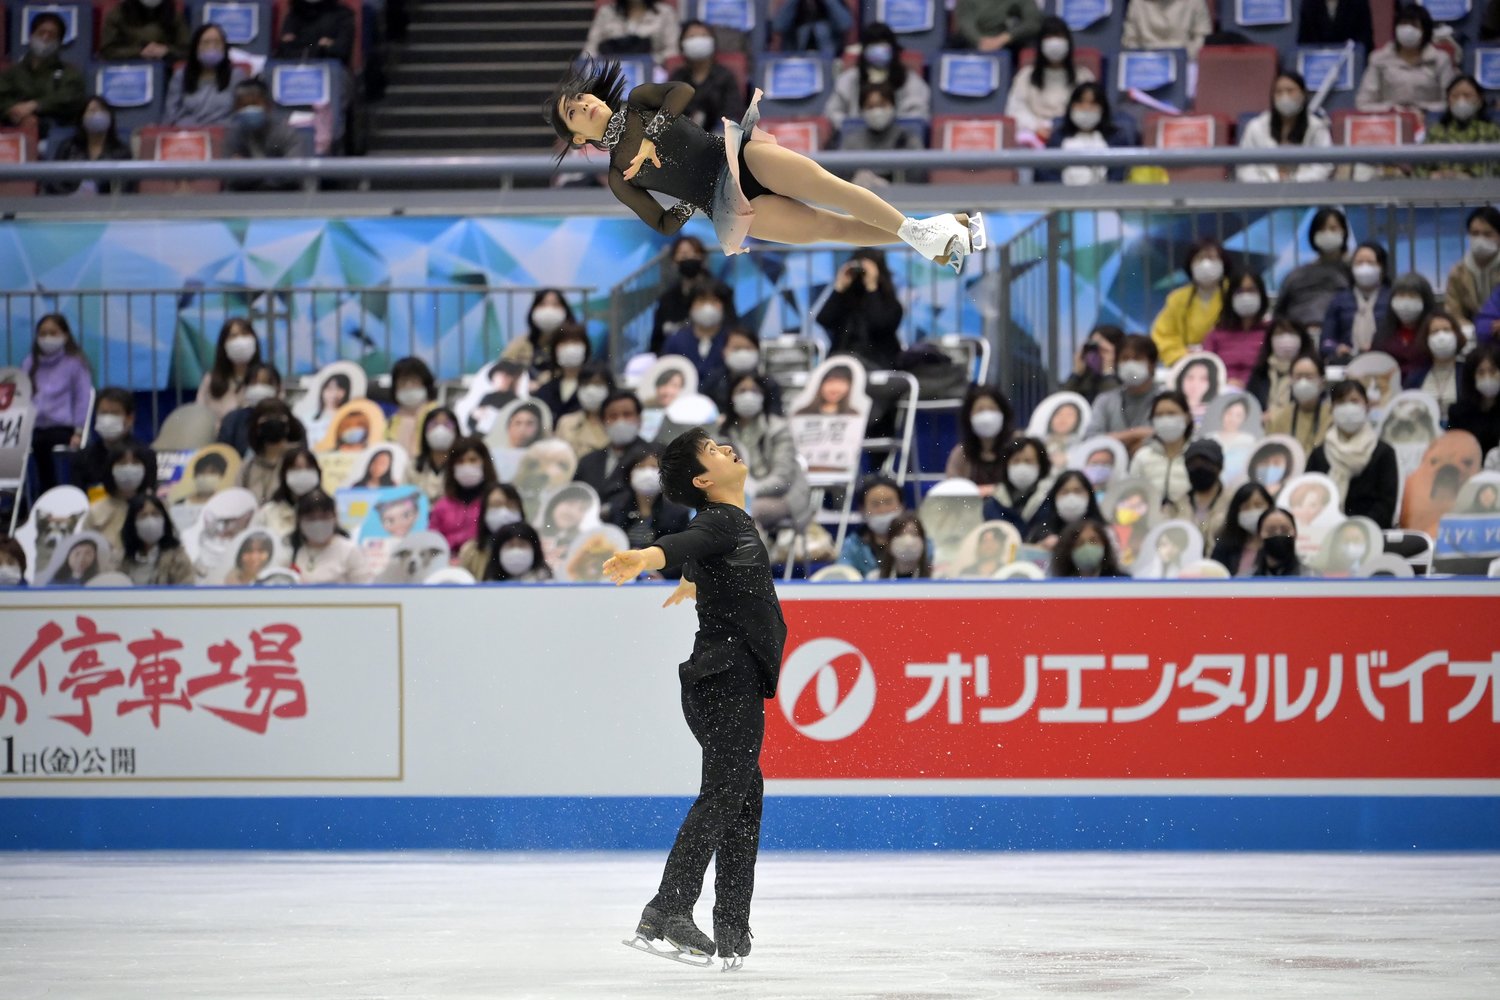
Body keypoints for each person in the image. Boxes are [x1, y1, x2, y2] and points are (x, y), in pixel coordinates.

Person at [604, 428, 787, 970]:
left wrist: (690, 580)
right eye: (712, 450)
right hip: (726, 678)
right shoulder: (722, 520)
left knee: (743, 794)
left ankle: (730, 923)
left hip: (722, 679)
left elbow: (699, 549)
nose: (726, 448)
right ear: (704, 480)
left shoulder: (726, 523)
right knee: (726, 794)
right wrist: (649, 556)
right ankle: (667, 909)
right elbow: (687, 542)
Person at [549, 63, 984, 272]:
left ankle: (926, 236)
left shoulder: (640, 101)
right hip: (727, 206)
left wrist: (650, 137)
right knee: (831, 227)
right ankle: (939, 234)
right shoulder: (618, 177)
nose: (584, 105)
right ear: (577, 138)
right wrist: (688, 200)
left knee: (833, 188)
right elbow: (662, 224)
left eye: (581, 98)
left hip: (739, 158)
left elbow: (682, 91)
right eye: (573, 112)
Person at [720, 373, 811, 534]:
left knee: (744, 513)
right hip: (739, 497)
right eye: (742, 391)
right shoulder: (725, 431)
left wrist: (751, 490)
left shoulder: (778, 428)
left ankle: (754, 549)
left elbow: (782, 480)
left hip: (784, 496)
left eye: (754, 391)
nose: (748, 396)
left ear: (763, 396)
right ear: (731, 396)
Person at [1306, 380, 1399, 528]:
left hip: (1371, 533)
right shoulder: (1319, 455)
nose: (1348, 407)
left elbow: (1386, 505)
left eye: (1354, 401)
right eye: (1341, 402)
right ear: (1331, 409)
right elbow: (1308, 498)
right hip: (1325, 531)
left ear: (1367, 406)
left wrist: (1355, 529)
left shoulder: (1383, 453)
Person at [21, 313, 92, 495]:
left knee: (44, 443)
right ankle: (32, 497)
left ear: (65, 335)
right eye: (43, 333)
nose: (47, 338)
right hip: (35, 427)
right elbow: (23, 396)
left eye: (53, 333)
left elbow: (82, 398)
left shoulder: (75, 363)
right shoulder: (30, 363)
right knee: (32, 443)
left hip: (63, 427)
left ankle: (54, 492)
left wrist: (79, 431)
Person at [823, 23, 930, 131]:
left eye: (882, 44)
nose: (878, 49)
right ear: (864, 50)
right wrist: (851, 126)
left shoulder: (911, 80)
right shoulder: (848, 80)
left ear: (893, 49)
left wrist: (891, 130)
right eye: (873, 45)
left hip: (899, 138)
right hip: (856, 137)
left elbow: (919, 115)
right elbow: (832, 112)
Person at [1004, 17, 1094, 142]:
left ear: (1068, 42)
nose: (1055, 43)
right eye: (1049, 37)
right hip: (1035, 137)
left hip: (1072, 136)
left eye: (1059, 37)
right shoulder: (1025, 76)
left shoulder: (1084, 76)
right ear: (1040, 43)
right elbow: (1015, 110)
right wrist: (1036, 127)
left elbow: (1093, 109)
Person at [1236, 72, 1334, 184]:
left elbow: (1324, 167)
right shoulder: (1256, 127)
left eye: (1290, 91)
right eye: (1279, 92)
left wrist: (1294, 181)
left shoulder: (1317, 127)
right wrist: (1269, 182)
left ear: (1303, 94)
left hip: (1305, 190)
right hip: (1263, 189)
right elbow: (1245, 168)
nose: (1284, 97)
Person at [1355, 4, 1455, 112]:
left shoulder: (1440, 59)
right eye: (1403, 24)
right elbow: (1363, 103)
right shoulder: (1379, 59)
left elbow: (1450, 102)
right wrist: (1391, 109)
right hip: (1390, 118)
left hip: (1429, 118)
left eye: (1414, 25)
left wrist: (1422, 109)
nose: (1408, 29)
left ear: (1425, 31)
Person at [0, 13, 86, 138]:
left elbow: (71, 98)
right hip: (16, 131)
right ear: (31, 36)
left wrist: (34, 105)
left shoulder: (70, 73)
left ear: (59, 42)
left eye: (52, 35)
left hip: (55, 134)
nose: (45, 38)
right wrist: (12, 110)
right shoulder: (12, 73)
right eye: (41, 32)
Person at [1036, 82, 1140, 185]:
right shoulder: (1058, 137)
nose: (1086, 108)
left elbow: (1117, 175)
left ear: (1102, 108)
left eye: (1093, 103)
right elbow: (1047, 173)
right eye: (1080, 102)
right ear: (1071, 105)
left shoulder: (1116, 138)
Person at [815, 249, 903, 370]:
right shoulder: (845, 301)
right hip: (842, 359)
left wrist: (872, 286)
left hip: (878, 363)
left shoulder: (890, 303)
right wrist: (839, 287)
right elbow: (824, 319)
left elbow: (879, 323)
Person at [649, 238, 739, 353]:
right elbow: (657, 340)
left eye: (694, 253)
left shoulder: (721, 291)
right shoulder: (667, 299)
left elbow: (732, 327)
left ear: (703, 258)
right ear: (673, 261)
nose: (689, 258)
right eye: (683, 254)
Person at [612, 447, 692, 571]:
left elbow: (684, 555)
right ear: (630, 472)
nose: (647, 473)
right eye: (641, 467)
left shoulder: (677, 513)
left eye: (654, 467)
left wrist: (657, 572)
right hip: (622, 575)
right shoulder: (617, 508)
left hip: (661, 579)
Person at [1275, 208, 1353, 334]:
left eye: (1333, 228)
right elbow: (1280, 313)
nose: (1327, 233)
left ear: (1344, 232)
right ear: (1313, 235)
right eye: (1321, 229)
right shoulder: (1296, 276)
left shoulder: (1353, 273)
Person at [1151, 241, 1228, 365]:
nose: (1206, 264)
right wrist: (1183, 355)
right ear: (1190, 265)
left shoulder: (1234, 293)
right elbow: (1163, 335)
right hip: (1187, 363)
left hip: (1228, 362)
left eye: (1212, 258)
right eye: (1200, 258)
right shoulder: (1177, 298)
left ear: (1223, 263)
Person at [576, 390, 650, 519]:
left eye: (627, 414)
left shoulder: (654, 456)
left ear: (639, 419)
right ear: (603, 422)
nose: (620, 421)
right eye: (613, 416)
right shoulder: (587, 462)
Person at [836, 83, 927, 187]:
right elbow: (840, 179)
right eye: (870, 107)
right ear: (862, 110)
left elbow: (918, 178)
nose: (877, 111)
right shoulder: (851, 141)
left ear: (893, 106)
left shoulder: (908, 139)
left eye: (882, 105)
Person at [1083, 334, 1158, 451]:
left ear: (1152, 365)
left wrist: (1115, 439)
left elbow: (1165, 437)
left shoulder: (1165, 398)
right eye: (1125, 359)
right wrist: (1136, 434)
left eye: (1137, 358)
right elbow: (1090, 440)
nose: (1130, 364)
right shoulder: (1105, 400)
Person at [43, 99, 133, 196]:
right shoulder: (68, 147)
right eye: (92, 111)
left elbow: (125, 187)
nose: (97, 115)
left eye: (102, 110)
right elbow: (54, 181)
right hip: (69, 203)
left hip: (106, 204)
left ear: (110, 118)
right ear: (82, 119)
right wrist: (70, 197)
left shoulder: (121, 151)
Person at [669, 20, 745, 135]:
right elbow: (669, 113)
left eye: (703, 36)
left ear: (712, 41)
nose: (698, 41)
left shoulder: (725, 77)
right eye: (692, 36)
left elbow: (733, 112)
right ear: (682, 44)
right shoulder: (677, 78)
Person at [225, 79, 303, 190]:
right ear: (236, 109)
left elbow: (293, 174)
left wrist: (248, 171)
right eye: (244, 105)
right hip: (246, 195)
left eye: (255, 104)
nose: (249, 109)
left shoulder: (286, 132)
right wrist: (275, 170)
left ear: (268, 106)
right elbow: (230, 176)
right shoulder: (234, 133)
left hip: (283, 194)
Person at [1418, 77, 1500, 179]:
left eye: (1467, 95)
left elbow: (1495, 169)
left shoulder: (1492, 131)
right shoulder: (1436, 131)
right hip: (1438, 187)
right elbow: (1420, 167)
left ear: (1480, 99)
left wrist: (1467, 177)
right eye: (1455, 96)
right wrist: (1433, 176)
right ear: (1448, 100)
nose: (1461, 101)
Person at [166, 23, 247, 127]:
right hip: (189, 133)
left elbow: (242, 114)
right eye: (206, 42)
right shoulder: (181, 76)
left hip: (224, 132)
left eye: (217, 42)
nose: (212, 47)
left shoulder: (236, 76)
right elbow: (170, 115)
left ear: (224, 47)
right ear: (196, 48)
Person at [1321, 241, 1392, 360]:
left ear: (1382, 267)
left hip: (1385, 361)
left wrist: (1379, 347)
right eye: (1359, 262)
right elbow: (1326, 342)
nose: (1364, 267)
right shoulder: (1339, 300)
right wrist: (1337, 349)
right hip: (1348, 362)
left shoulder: (1391, 298)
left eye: (1370, 262)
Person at [74, 387, 152, 493]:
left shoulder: (145, 455)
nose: (108, 419)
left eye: (115, 413)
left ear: (130, 418)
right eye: (103, 413)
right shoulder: (83, 458)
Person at [429, 437, 498, 554]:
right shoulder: (442, 506)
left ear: (484, 463)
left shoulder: (495, 501)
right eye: (460, 461)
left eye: (473, 460)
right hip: (448, 562)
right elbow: (432, 543)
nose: (467, 466)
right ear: (452, 467)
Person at [288, 490, 372, 584]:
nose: (318, 523)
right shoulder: (293, 551)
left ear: (335, 517)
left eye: (324, 517)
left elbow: (365, 588)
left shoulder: (349, 551)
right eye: (311, 518)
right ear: (299, 521)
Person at [87, 442, 156, 555]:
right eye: (122, 463)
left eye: (135, 463)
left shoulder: (157, 507)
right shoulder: (96, 511)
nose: (129, 468)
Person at [1203, 272, 1271, 388]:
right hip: (1222, 391)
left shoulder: (1270, 332)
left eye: (1251, 290)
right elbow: (1205, 369)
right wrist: (1225, 383)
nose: (1246, 296)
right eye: (1240, 291)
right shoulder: (1216, 334)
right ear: (1231, 297)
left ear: (1261, 295)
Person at [1129, 390, 1194, 510]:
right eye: (1159, 415)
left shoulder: (1196, 455)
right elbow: (1132, 495)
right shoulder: (1143, 457)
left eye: (1171, 413)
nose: (1165, 419)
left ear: (1187, 417)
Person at [944, 385, 1016, 493]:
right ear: (969, 417)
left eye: (992, 409)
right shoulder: (961, 454)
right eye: (980, 410)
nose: (987, 416)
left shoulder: (1018, 445)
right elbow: (952, 492)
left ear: (1003, 414)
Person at [194, 318, 262, 427]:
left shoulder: (266, 377)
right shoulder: (211, 380)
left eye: (244, 334)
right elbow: (200, 415)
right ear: (224, 344)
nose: (240, 341)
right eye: (233, 336)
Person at [1164, 440, 1228, 553]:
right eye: (1193, 463)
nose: (1199, 467)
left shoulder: (1233, 502)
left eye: (1205, 463)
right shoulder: (1174, 506)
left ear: (1219, 466)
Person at [1372, 273, 1438, 381]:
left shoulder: (1434, 331)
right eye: (1401, 295)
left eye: (1412, 296)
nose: (1406, 302)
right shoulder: (1382, 332)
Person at [662, 283, 730, 383]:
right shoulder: (676, 340)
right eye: (702, 301)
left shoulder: (731, 339)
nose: (707, 307)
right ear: (691, 306)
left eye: (714, 301)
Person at [238, 400, 304, 504]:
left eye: (278, 417)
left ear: (288, 425)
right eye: (267, 417)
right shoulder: (247, 468)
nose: (273, 421)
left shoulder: (300, 461)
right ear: (257, 427)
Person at [702, 328, 782, 414]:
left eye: (748, 348)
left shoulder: (768, 383)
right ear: (724, 351)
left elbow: (775, 413)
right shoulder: (713, 380)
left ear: (758, 351)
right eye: (736, 348)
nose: (742, 353)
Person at [1265, 353, 1333, 454]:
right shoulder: (1279, 417)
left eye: (1309, 377)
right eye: (1298, 377)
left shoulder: (1332, 416)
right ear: (1291, 381)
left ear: (1322, 381)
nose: (1303, 382)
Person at [120, 494, 194, 586]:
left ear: (164, 520)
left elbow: (186, 588)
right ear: (132, 524)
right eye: (143, 516)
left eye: (155, 514)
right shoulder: (123, 559)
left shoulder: (177, 559)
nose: (150, 521)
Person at [1444, 207, 1500, 327]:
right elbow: (1453, 311)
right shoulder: (1458, 272)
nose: (1480, 239)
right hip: (1470, 331)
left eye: (1487, 234)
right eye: (1475, 234)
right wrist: (1468, 328)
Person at [983, 436, 1052, 532]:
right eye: (1016, 461)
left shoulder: (1050, 500)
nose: (1022, 466)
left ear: (1040, 465)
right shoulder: (993, 505)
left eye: (1028, 461)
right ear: (1006, 465)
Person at [839, 474, 904, 575]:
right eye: (875, 504)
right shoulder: (852, 546)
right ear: (862, 510)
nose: (883, 510)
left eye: (888, 502)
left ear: (902, 505)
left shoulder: (918, 541)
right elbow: (843, 575)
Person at [458, 483, 526, 579]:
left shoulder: (533, 549)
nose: (504, 512)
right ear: (485, 511)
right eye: (496, 505)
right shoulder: (471, 552)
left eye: (511, 505)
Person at [1245, 318, 1314, 411]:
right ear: (1270, 340)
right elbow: (1249, 403)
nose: (1286, 339)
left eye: (1292, 333)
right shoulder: (1261, 372)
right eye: (1279, 333)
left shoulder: (1311, 370)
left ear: (1301, 339)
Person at [1209, 482, 1275, 577]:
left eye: (1258, 505)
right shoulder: (1224, 546)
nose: (1252, 511)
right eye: (1245, 507)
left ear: (1270, 507)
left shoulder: (1278, 544)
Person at [1407, 312, 1464, 419]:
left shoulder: (1468, 372)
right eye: (1434, 331)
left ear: (1456, 335)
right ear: (1426, 339)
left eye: (1446, 330)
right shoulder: (1415, 377)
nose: (1441, 337)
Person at [258, 447, 322, 542]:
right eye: (297, 469)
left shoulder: (326, 511)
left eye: (309, 468)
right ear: (284, 474)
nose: (303, 474)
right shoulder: (268, 512)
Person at [217, 363, 283, 456]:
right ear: (246, 387)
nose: (259, 388)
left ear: (278, 388)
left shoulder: (288, 420)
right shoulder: (233, 420)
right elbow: (222, 455)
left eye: (266, 384)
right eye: (254, 383)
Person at [1025, 470, 1103, 548]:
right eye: (1064, 492)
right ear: (1054, 498)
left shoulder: (1103, 532)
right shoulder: (1041, 533)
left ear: (1090, 495)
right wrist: (1040, 547)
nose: (1071, 498)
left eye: (1077, 491)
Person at [503, 288, 577, 370]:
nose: (549, 310)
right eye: (542, 304)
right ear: (533, 310)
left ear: (565, 311)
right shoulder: (520, 344)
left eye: (555, 304)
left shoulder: (574, 345)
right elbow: (501, 370)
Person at [584, 0, 680, 61]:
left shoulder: (665, 13)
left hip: (653, 69)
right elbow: (590, 48)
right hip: (610, 68)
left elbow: (672, 50)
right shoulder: (606, 12)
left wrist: (651, 61)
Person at [1448, 343, 1500, 455]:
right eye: (1481, 372)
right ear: (1472, 377)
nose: (1487, 377)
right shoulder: (1457, 412)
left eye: (1493, 371)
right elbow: (1450, 438)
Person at [554, 363, 614, 459]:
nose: (591, 390)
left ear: (609, 388)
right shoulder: (566, 423)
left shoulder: (617, 423)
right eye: (585, 384)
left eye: (597, 384)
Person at [533, 323, 591, 421]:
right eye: (564, 343)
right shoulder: (546, 390)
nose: (570, 348)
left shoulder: (594, 387)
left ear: (586, 347)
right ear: (555, 350)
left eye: (575, 342)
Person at [1121, 0, 1212, 61]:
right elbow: (1129, 40)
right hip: (1145, 63)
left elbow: (1201, 37)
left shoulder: (1195, 2)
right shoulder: (1137, 3)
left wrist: (1185, 55)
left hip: (1184, 61)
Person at [100, 0, 189, 61]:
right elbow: (107, 51)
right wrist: (139, 52)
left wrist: (166, 50)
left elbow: (187, 49)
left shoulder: (173, 14)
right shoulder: (118, 14)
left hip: (165, 69)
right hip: (126, 71)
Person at [386, 356, 437, 458]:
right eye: (403, 382)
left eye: (414, 381)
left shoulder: (437, 415)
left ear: (426, 384)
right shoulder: (391, 422)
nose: (408, 386)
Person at [276, 0, 356, 65]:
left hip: (330, 71)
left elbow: (341, 51)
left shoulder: (342, 15)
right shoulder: (294, 14)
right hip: (294, 70)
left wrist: (303, 46)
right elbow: (285, 50)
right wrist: (319, 47)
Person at [770, 0, 853, 59]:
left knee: (822, 28)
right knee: (804, 30)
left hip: (829, 54)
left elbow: (845, 24)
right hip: (798, 54)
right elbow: (778, 26)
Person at [407, 408, 459, 501]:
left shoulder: (461, 465)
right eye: (434, 425)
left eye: (447, 425)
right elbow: (403, 498)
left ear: (456, 431)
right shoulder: (413, 466)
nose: (440, 430)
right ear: (425, 431)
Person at [1061, 325, 1123, 403]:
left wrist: (1108, 371)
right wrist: (1076, 372)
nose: (1095, 354)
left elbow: (1115, 403)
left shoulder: (1123, 376)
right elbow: (1061, 401)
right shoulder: (1086, 378)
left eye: (1102, 350)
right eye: (1092, 348)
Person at [955, 0, 1044, 53]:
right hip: (971, 45)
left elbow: (1033, 22)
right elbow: (964, 22)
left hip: (1008, 44)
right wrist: (980, 41)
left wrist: (1004, 38)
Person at [1048, 519, 1124, 578]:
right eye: (1080, 543)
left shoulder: (1121, 581)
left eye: (1093, 541)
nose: (1088, 547)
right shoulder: (1060, 585)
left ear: (1104, 544)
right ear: (1068, 550)